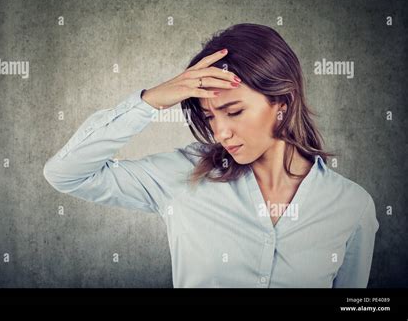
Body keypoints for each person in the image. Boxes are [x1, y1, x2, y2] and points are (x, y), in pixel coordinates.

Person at [43, 23, 379, 288]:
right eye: (209, 118)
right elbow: (66, 173)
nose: (220, 133)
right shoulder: (182, 175)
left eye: (233, 111)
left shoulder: (351, 207)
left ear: (283, 103)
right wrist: (152, 100)